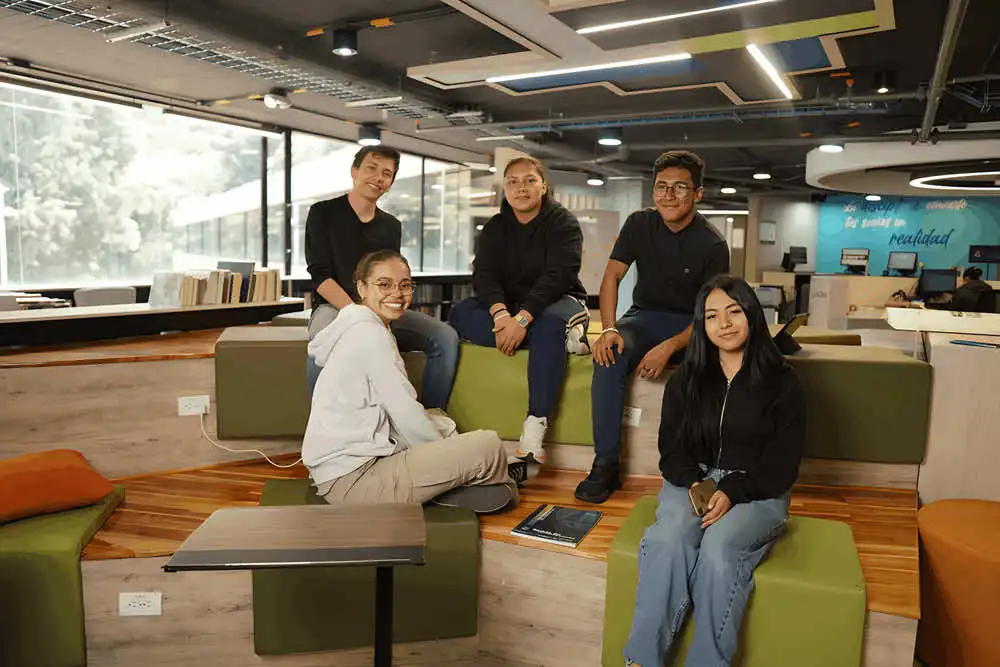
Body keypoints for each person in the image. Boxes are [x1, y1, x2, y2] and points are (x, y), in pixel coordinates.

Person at [623, 275, 806, 667]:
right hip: (694, 480)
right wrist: (696, 483)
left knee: (719, 551)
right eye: (711, 316)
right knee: (668, 541)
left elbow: (784, 463)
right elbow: (670, 450)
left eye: (734, 312)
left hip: (758, 488)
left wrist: (735, 490)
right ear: (701, 325)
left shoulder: (783, 382)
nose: (723, 324)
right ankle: (641, 660)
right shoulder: (686, 380)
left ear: (752, 316)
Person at [303, 249, 518, 513]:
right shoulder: (370, 335)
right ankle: (455, 485)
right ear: (361, 287)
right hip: (354, 481)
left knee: (441, 420)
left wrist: (447, 442)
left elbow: (393, 412)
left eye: (405, 285)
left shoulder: (360, 326)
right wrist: (448, 456)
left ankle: (450, 484)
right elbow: (405, 413)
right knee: (489, 446)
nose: (397, 293)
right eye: (384, 284)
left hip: (350, 467)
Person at [577, 150, 730, 504]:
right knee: (609, 356)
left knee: (705, 370)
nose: (668, 195)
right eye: (661, 187)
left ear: (698, 194)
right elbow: (612, 276)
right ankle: (606, 464)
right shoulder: (638, 223)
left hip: (692, 325)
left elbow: (712, 313)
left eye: (679, 187)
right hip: (644, 317)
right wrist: (609, 329)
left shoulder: (713, 244)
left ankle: (698, 470)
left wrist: (671, 346)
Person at [449, 156, 589, 464]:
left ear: (543, 186)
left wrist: (523, 319)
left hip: (559, 301)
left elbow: (558, 277)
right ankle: (550, 340)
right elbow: (484, 274)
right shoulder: (497, 227)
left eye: (529, 180)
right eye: (513, 181)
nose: (521, 188)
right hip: (510, 308)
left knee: (548, 324)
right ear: (504, 188)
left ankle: (535, 424)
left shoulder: (562, 222)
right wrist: (501, 316)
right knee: (460, 314)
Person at [304, 146, 459, 409]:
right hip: (334, 307)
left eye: (386, 174)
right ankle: (322, 427)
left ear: (390, 184)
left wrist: (383, 314)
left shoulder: (391, 226)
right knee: (323, 340)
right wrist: (358, 314)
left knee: (444, 337)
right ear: (355, 171)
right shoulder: (323, 212)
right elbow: (320, 275)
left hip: (380, 308)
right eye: (371, 169)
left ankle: (433, 415)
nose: (378, 177)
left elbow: (391, 278)